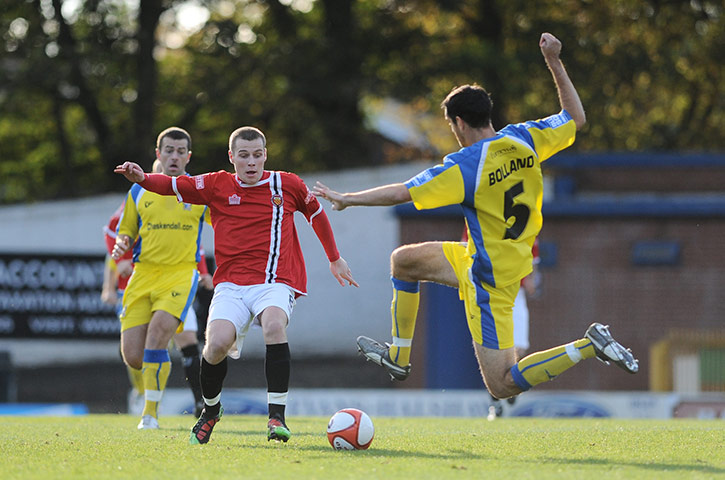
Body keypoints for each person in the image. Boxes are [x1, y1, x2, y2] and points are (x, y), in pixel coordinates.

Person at [313, 33, 638, 404]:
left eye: (452, 126)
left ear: (461, 123)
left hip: (489, 279)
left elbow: (404, 191)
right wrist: (554, 61)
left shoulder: (466, 165)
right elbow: (575, 118)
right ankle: (399, 358)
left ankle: (586, 345)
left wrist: (347, 199)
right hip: (486, 258)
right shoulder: (525, 138)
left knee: (501, 384)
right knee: (404, 261)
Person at [114, 126, 358, 444]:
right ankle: (211, 411)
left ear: (265, 155)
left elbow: (316, 214)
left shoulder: (287, 183)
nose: (252, 162)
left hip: (275, 281)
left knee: (273, 325)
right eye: (244, 156)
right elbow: (172, 184)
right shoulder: (216, 184)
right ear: (232, 158)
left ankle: (276, 417)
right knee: (215, 346)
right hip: (230, 285)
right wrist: (143, 178)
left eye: (257, 155)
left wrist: (334, 258)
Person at [112, 126, 211, 429]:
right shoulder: (139, 190)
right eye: (169, 150)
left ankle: (150, 414)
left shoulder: (199, 191)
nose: (175, 156)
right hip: (143, 276)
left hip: (180, 275)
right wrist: (123, 244)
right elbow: (126, 230)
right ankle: (152, 393)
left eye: (181, 151)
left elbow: (228, 221)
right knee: (133, 357)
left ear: (188, 156)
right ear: (158, 154)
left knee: (158, 335)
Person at [101, 194, 213, 417]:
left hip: (178, 282)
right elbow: (113, 237)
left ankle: (198, 401)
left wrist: (204, 272)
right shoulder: (139, 197)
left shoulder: (190, 196)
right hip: (139, 286)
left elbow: (197, 245)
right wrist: (109, 286)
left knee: (186, 341)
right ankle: (142, 391)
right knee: (134, 355)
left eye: (179, 155)